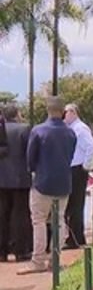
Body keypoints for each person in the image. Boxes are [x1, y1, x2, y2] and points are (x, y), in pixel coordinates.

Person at [18, 97, 76, 275]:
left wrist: (35, 170)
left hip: (42, 183)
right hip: (64, 183)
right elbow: (71, 156)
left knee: (39, 221)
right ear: (63, 112)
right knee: (59, 221)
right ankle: (55, 260)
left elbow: (30, 159)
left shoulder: (38, 131)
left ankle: (38, 260)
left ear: (47, 110)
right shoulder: (70, 133)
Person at [62, 104, 93, 249]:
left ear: (73, 112)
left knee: (76, 205)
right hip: (72, 168)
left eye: (66, 112)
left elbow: (92, 147)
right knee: (71, 205)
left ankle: (76, 238)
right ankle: (73, 236)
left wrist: (86, 165)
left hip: (77, 169)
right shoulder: (71, 128)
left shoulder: (80, 129)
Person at [0, 105, 32, 262]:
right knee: (20, 215)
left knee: (2, 215)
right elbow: (30, 152)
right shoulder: (25, 129)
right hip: (20, 179)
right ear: (17, 114)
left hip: (2, 180)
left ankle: (2, 252)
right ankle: (21, 250)